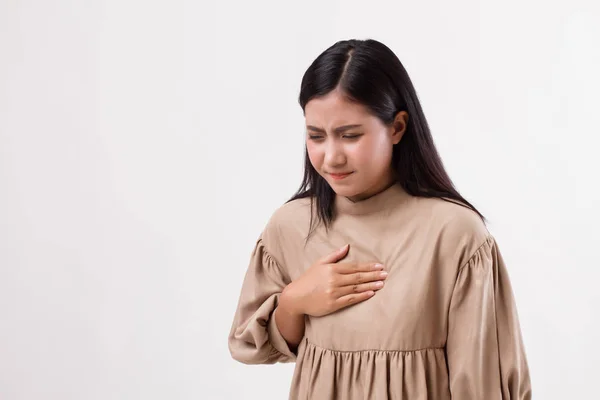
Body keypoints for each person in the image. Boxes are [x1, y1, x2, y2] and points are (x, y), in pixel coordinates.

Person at [228, 38, 532, 399]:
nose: (331, 158)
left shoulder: (454, 234)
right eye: (316, 136)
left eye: (350, 135)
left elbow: (483, 384)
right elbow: (252, 344)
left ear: (397, 127)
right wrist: (294, 301)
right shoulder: (291, 226)